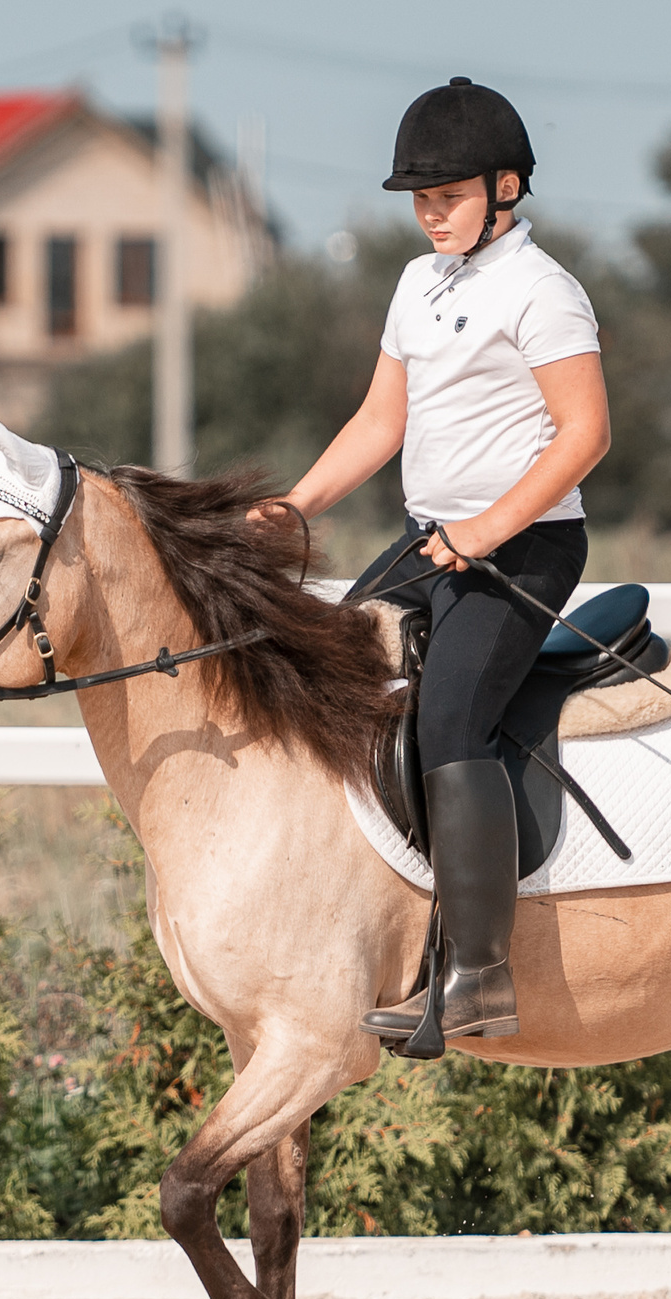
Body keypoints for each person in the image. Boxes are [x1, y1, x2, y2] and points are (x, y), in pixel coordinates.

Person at [259, 76, 611, 1043]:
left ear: (507, 188)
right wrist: (296, 507)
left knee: (452, 720)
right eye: (420, 199)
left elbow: (585, 435)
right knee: (330, 667)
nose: (430, 215)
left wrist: (485, 530)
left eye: (448, 196)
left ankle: (479, 976)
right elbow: (381, 421)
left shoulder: (545, 292)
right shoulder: (419, 283)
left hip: (522, 550)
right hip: (434, 543)